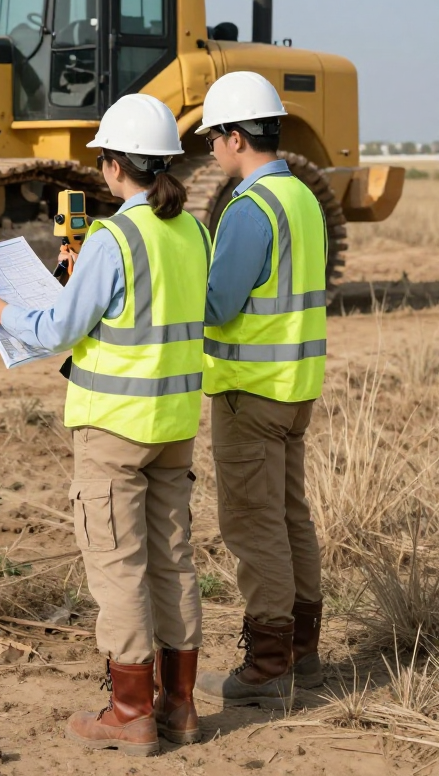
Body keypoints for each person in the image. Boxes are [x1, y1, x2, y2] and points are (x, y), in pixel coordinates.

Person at [0, 94, 210, 756]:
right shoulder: (190, 231)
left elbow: (60, 329)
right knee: (172, 561)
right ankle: (181, 707)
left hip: (114, 429)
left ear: (110, 165)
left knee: (119, 565)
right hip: (175, 423)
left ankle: (131, 712)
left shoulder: (114, 237)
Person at [193, 71, 327, 711]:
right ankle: (304, 656)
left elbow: (217, 306)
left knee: (253, 526)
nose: (210, 151)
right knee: (290, 517)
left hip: (250, 391)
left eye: (214, 138)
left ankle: (268, 667)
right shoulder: (300, 196)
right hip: (294, 387)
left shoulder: (250, 207)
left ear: (237, 136)